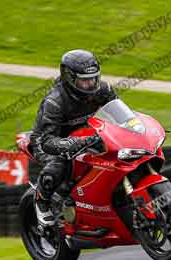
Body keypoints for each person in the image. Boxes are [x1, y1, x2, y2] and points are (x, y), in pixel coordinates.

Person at [31, 49, 118, 227]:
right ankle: (42, 201)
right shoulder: (55, 101)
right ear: (69, 78)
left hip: (84, 134)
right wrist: (70, 143)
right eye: (84, 81)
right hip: (48, 140)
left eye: (93, 78)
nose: (90, 84)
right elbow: (46, 140)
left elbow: (119, 113)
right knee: (60, 163)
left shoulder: (103, 89)